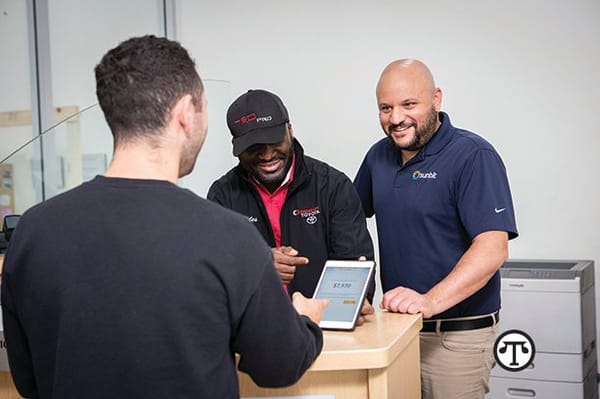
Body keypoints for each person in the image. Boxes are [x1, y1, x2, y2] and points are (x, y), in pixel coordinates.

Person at [1, 35, 328, 399]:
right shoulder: (227, 236)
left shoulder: (32, 232)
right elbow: (278, 366)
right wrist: (305, 321)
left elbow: (28, 380)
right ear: (186, 114)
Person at [353, 59, 518, 399]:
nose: (396, 118)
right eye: (386, 108)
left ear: (437, 99)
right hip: (396, 331)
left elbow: (493, 249)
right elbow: (347, 223)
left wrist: (429, 301)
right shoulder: (377, 157)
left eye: (408, 104)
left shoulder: (473, 155)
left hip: (456, 337)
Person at [207, 89, 376, 319]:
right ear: (235, 144)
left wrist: (352, 302)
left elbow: (355, 265)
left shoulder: (333, 187)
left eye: (274, 141)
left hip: (326, 328)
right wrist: (258, 266)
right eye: (253, 148)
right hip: (254, 335)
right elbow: (213, 273)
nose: (267, 156)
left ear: (290, 130)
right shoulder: (222, 196)